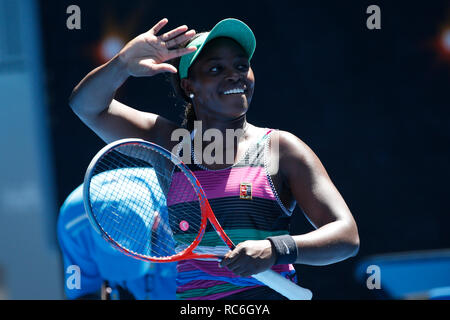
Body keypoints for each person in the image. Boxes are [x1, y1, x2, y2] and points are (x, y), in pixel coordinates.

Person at [69, 17, 360, 300]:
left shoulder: (282, 149)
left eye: (241, 65)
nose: (234, 74)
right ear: (188, 86)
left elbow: (346, 235)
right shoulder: (169, 145)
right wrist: (122, 63)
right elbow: (86, 106)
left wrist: (275, 249)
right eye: (216, 68)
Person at [57, 168, 178, 300]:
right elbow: (80, 291)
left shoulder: (185, 212)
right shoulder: (74, 226)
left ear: (155, 222)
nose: (124, 276)